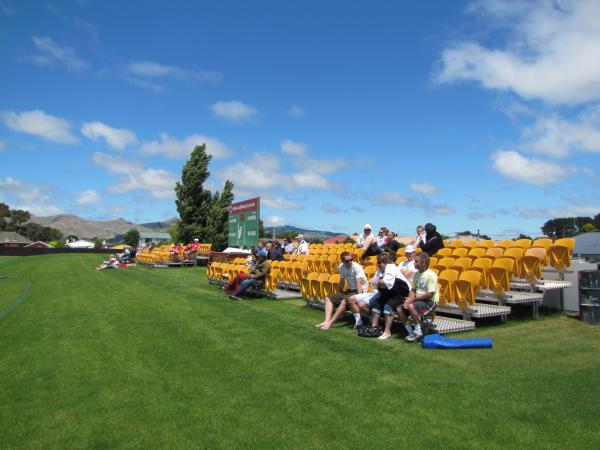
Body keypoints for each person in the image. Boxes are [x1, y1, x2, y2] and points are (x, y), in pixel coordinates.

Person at [315, 252, 368, 330]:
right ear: (343, 262)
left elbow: (359, 284)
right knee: (329, 298)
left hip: (360, 291)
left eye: (351, 260)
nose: (350, 262)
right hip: (350, 290)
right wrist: (338, 293)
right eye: (347, 261)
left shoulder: (357, 267)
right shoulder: (341, 267)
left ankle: (330, 323)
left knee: (344, 301)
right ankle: (326, 321)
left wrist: (359, 298)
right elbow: (342, 281)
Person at [398, 253, 439, 343]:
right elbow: (413, 290)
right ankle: (411, 332)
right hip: (418, 301)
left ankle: (418, 331)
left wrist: (413, 300)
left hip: (430, 302)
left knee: (411, 306)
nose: (414, 263)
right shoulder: (416, 274)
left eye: (416, 261)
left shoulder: (431, 275)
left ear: (423, 263)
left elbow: (430, 294)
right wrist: (408, 300)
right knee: (399, 309)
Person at [370, 253, 411, 340]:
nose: (378, 264)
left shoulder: (391, 268)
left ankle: (387, 332)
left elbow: (386, 283)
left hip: (402, 294)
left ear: (385, 262)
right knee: (376, 304)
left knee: (388, 306)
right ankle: (374, 328)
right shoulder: (381, 269)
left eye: (379, 262)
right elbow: (373, 283)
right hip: (390, 293)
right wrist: (379, 281)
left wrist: (379, 281)